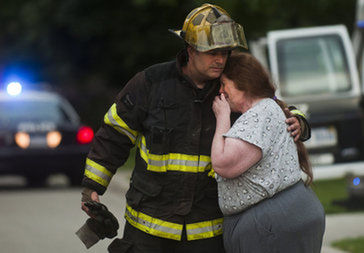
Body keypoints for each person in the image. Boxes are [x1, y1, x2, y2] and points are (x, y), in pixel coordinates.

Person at [79, 3, 311, 253]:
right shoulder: (151, 83)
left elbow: (271, 105)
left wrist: (298, 120)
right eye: (212, 52)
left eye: (225, 52)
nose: (221, 60)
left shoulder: (231, 87)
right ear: (190, 50)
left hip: (208, 230)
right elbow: (115, 134)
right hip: (148, 229)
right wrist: (92, 187)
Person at [211, 52, 325, 253]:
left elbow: (222, 163)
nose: (219, 92)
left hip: (269, 225)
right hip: (284, 216)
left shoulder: (258, 113)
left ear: (243, 83)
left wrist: (222, 117)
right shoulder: (265, 107)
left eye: (224, 84)